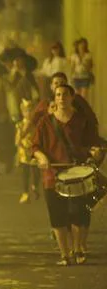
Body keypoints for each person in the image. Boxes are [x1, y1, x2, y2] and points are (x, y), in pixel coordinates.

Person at [32, 84, 103, 266]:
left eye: (65, 94)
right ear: (54, 99)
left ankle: (78, 248)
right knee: (57, 215)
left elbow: (91, 142)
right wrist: (41, 157)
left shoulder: (81, 120)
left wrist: (94, 152)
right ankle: (65, 254)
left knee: (78, 212)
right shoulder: (45, 122)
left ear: (72, 97)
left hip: (76, 173)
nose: (61, 98)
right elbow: (36, 146)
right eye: (58, 95)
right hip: (52, 175)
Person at [15, 99, 41, 203]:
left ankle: (35, 186)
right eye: (26, 111)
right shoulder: (20, 125)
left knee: (35, 171)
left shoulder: (37, 124)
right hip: (24, 153)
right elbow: (17, 140)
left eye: (31, 111)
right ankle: (25, 192)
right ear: (22, 112)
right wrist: (25, 128)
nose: (29, 113)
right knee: (25, 173)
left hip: (34, 151)